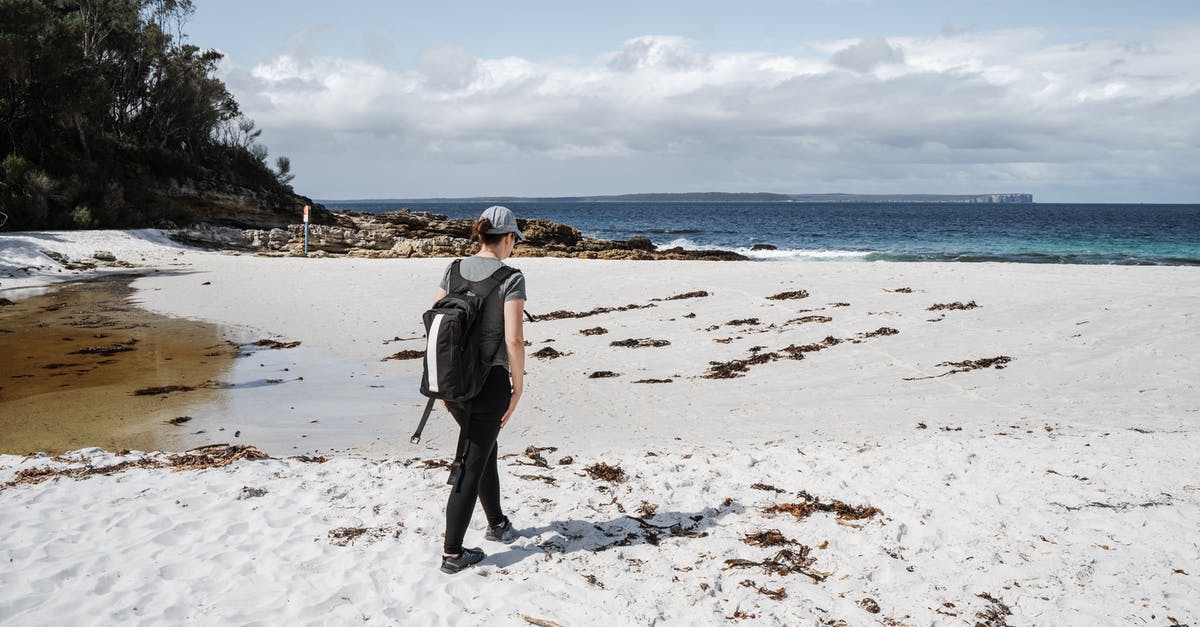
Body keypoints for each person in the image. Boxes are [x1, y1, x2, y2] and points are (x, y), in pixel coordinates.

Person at [435, 205, 527, 574]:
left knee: (484, 448)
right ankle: (453, 553)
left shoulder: (452, 269)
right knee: (471, 462)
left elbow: (435, 328)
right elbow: (514, 339)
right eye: (514, 241)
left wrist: (442, 385)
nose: (513, 248)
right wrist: (517, 389)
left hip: (453, 381)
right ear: (506, 238)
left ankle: (497, 523)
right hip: (488, 384)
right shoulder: (511, 277)